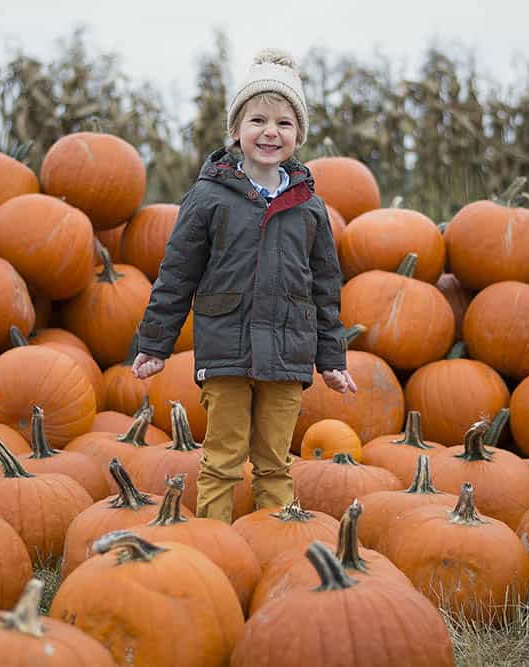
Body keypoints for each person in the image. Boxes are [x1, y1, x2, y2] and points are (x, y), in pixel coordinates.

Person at [130, 48, 357, 524]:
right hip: (226, 352)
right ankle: (217, 548)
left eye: (284, 123)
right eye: (258, 119)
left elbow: (325, 290)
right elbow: (177, 274)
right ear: (235, 130)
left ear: (298, 136)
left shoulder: (309, 207)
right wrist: (155, 344)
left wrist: (331, 359)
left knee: (275, 463)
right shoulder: (209, 197)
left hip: (286, 355)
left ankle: (275, 548)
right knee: (222, 461)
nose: (271, 132)